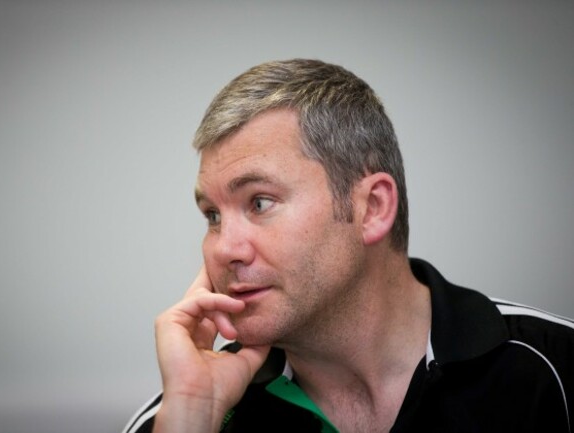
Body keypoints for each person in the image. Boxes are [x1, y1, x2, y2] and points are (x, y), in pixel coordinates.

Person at [122, 59, 574, 433]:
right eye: (213, 216)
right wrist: (194, 411)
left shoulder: (555, 366)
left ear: (372, 208)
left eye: (259, 202)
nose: (224, 250)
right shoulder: (179, 418)